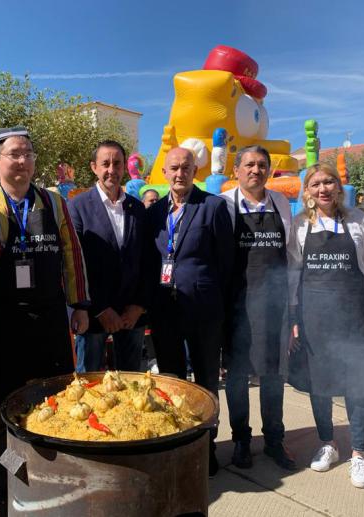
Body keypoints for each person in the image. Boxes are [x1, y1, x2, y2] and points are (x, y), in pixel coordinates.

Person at [0, 126, 89, 513]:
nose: (23, 160)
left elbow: (72, 255)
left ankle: (51, 483)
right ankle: (8, 486)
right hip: (2, 327)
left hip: (48, 323)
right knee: (3, 417)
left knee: (56, 406)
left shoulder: (54, 203)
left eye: (28, 153)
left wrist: (80, 305)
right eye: (15, 153)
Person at [288, 162, 364, 489]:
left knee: (356, 384)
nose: (323, 189)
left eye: (329, 182)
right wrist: (292, 317)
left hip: (353, 313)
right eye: (316, 184)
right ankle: (328, 444)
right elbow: (293, 272)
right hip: (314, 315)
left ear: (338, 186)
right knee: (319, 384)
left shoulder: (359, 219)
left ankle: (359, 454)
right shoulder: (300, 225)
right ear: (308, 191)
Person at [145, 146, 234, 476]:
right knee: (171, 382)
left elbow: (226, 264)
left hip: (203, 310)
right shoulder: (152, 214)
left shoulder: (213, 207)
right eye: (173, 168)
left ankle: (206, 447)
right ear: (164, 173)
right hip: (165, 310)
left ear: (194, 171)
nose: (179, 173)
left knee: (207, 382)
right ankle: (176, 444)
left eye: (186, 167)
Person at [221, 145, 295, 470]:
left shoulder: (280, 203)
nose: (256, 170)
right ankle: (240, 441)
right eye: (249, 164)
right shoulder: (223, 206)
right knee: (237, 377)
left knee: (273, 374)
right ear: (236, 170)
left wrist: (293, 305)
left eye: (262, 165)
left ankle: (274, 441)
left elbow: (292, 256)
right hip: (237, 305)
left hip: (274, 305)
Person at [69, 140, 147, 372]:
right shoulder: (78, 206)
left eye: (117, 163)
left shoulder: (137, 207)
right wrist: (101, 309)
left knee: (132, 384)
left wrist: (138, 306)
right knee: (89, 385)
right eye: (105, 163)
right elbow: (76, 262)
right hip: (94, 315)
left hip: (131, 316)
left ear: (124, 167)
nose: (111, 169)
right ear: (94, 167)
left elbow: (147, 260)